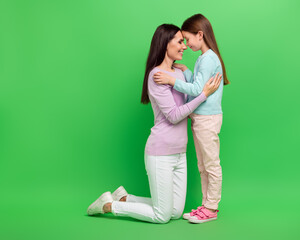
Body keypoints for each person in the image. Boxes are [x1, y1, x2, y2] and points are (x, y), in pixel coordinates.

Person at [86, 23, 222, 224]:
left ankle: (125, 197)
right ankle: (109, 205)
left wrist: (188, 76)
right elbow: (175, 115)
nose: (184, 46)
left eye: (185, 41)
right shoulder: (157, 76)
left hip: (180, 153)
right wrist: (204, 95)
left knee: (175, 212)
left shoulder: (177, 73)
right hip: (161, 152)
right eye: (179, 41)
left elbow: (188, 95)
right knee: (162, 216)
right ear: (165, 44)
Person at [153, 14, 229, 223]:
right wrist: (186, 71)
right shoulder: (204, 59)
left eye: (187, 39)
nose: (185, 44)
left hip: (207, 119)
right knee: (203, 165)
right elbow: (198, 83)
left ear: (200, 35)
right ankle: (206, 206)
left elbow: (197, 90)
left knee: (211, 164)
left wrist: (171, 80)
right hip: (200, 118)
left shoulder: (208, 59)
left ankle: (211, 208)